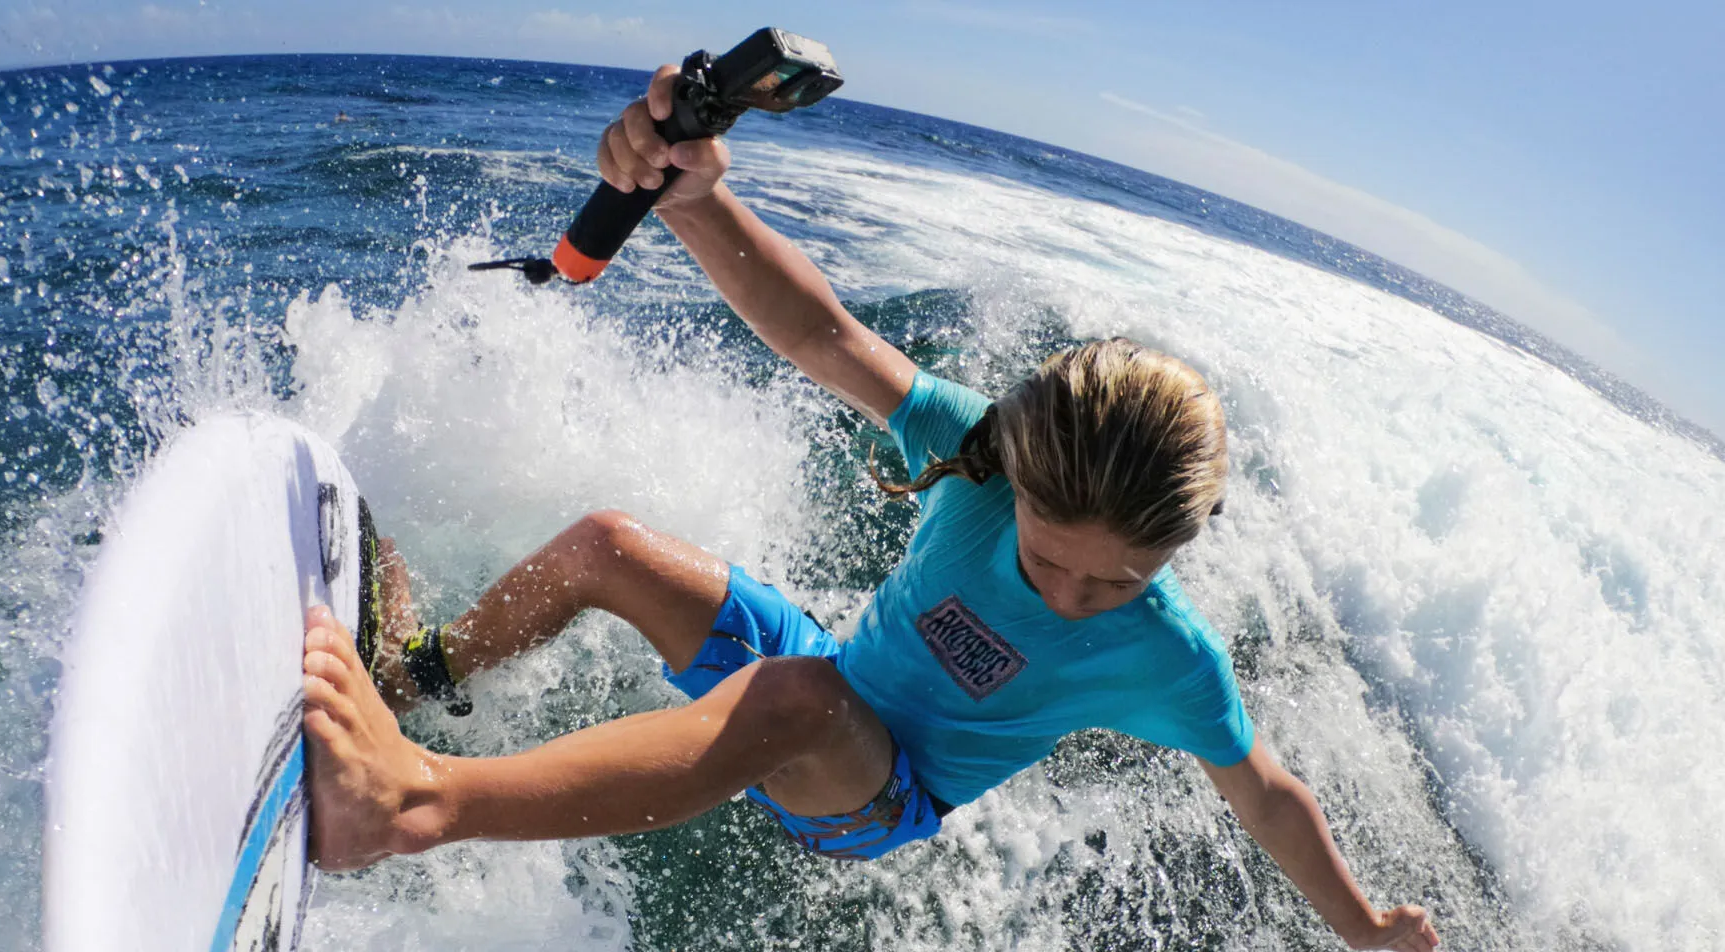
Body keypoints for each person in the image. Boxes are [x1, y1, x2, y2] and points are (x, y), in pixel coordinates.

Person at [300, 66, 1441, 951]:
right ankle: (418, 674)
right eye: (1049, 558)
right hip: (827, 674)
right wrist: (697, 199)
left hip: (878, 797)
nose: (1071, 594)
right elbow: (822, 333)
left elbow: (1267, 793)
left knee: (800, 698)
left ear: (1176, 551)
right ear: (1016, 477)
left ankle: (416, 800)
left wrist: (1360, 928)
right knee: (607, 547)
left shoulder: (1167, 654)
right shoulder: (979, 457)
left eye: (1114, 582)